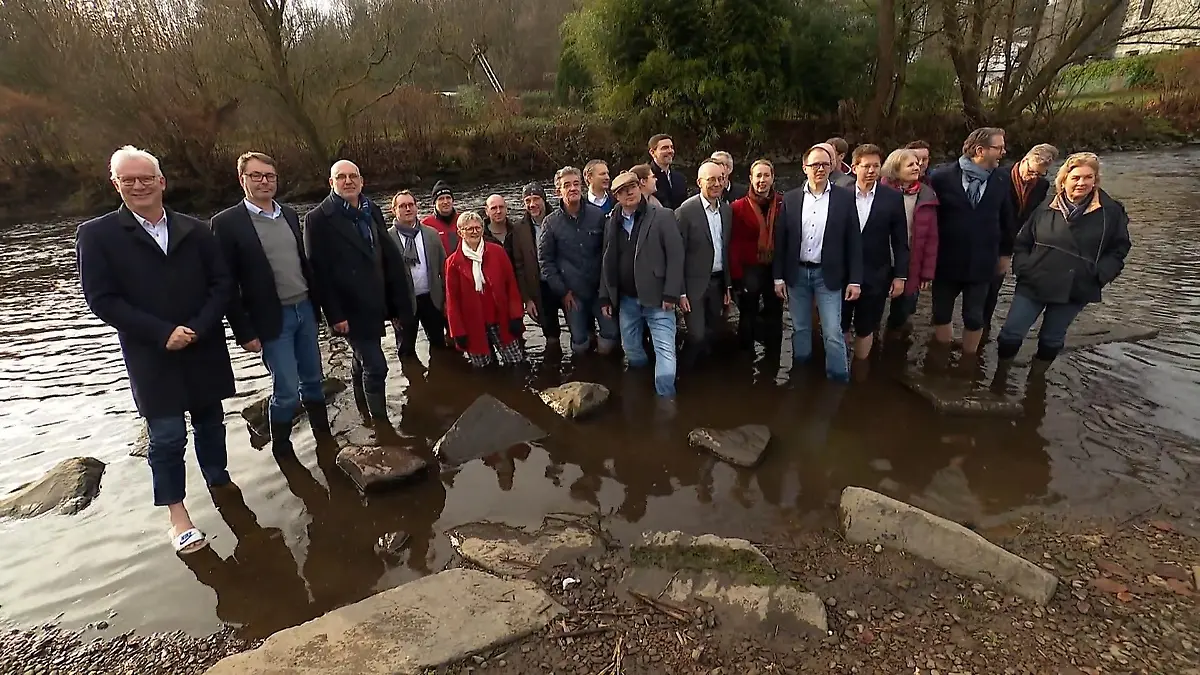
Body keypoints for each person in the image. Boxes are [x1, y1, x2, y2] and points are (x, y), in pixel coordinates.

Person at [77, 145, 234, 555]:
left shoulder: (197, 230)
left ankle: (220, 481)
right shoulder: (97, 235)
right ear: (116, 184)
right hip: (152, 353)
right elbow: (102, 299)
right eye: (128, 179)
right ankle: (178, 517)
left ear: (161, 182)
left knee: (211, 421)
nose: (139, 185)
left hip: (203, 345)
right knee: (166, 436)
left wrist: (199, 327)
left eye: (146, 177)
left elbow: (222, 285)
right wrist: (162, 332)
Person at [211, 152, 327, 461]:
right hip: (272, 319)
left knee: (314, 379)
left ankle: (324, 440)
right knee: (287, 389)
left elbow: (302, 263)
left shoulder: (288, 214)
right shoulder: (226, 223)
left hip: (304, 308)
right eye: (257, 176)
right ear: (242, 179)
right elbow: (225, 284)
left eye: (270, 176)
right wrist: (243, 330)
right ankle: (282, 448)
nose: (264, 181)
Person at [304, 160, 414, 421]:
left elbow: (385, 258)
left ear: (362, 181)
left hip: (376, 303)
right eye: (341, 177)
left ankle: (363, 411)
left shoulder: (370, 209)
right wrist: (334, 315)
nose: (348, 181)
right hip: (348, 308)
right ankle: (380, 423)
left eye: (353, 176)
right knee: (376, 366)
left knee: (361, 359)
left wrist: (396, 305)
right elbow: (318, 274)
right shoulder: (317, 219)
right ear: (331, 183)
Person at [997, 152, 1130, 365]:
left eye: (1088, 177)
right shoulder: (1046, 205)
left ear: (1096, 180)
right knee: (1010, 335)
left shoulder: (1110, 212)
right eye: (1076, 177)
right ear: (1064, 179)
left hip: (1077, 285)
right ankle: (999, 379)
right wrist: (1023, 267)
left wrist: (1099, 275)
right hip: (1035, 280)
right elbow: (1023, 241)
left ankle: (1036, 384)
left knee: (1051, 340)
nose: (1082, 183)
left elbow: (1119, 249)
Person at [773, 144, 862, 382]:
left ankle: (838, 379)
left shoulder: (844, 198)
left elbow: (854, 241)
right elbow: (781, 241)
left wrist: (855, 280)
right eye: (815, 165)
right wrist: (778, 277)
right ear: (805, 168)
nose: (820, 169)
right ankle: (801, 375)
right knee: (800, 328)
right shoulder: (791, 199)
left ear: (831, 167)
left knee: (832, 331)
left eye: (825, 164)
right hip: (797, 274)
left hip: (828, 274)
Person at [928, 127, 1016, 356]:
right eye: (998, 148)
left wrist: (1006, 254)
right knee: (941, 313)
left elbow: (1008, 218)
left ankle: (968, 361)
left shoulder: (1001, 179)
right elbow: (928, 220)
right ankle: (942, 355)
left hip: (983, 260)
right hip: (946, 260)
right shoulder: (941, 177)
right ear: (980, 150)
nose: (1003, 152)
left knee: (975, 316)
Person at [599, 171, 685, 397]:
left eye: (632, 187)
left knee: (666, 351)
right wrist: (605, 296)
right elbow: (607, 261)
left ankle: (666, 401)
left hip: (659, 300)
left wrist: (671, 293)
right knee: (632, 350)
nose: (628, 193)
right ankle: (641, 385)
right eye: (621, 191)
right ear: (615, 196)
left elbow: (676, 257)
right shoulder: (611, 221)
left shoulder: (663, 216)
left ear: (639, 187)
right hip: (627, 301)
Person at [539, 166, 619, 355]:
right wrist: (563, 291)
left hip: (600, 291)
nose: (573, 188)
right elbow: (546, 261)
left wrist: (607, 290)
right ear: (558, 191)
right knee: (579, 339)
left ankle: (606, 372)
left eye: (576, 184)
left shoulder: (598, 216)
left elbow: (609, 253)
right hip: (572, 294)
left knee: (611, 332)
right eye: (567, 185)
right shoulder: (550, 223)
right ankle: (582, 373)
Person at [983, 143, 1060, 336]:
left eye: (1039, 174)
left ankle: (984, 327)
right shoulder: (998, 175)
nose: (1033, 177)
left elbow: (1030, 217)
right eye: (1032, 172)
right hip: (986, 238)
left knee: (994, 287)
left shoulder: (1042, 185)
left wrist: (1009, 251)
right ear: (1024, 160)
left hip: (1010, 241)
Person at [842, 144, 909, 362]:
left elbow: (900, 241)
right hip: (842, 272)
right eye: (866, 166)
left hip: (876, 273)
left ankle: (861, 371)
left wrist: (900, 276)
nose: (872, 170)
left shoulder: (892, 198)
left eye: (876, 166)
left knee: (866, 326)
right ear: (854, 167)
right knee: (839, 324)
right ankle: (841, 365)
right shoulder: (840, 195)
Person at [444, 212, 526, 367]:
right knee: (483, 368)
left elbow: (511, 285)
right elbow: (452, 301)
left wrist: (516, 315)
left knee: (516, 361)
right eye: (469, 229)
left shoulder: (497, 252)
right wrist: (458, 332)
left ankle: (517, 390)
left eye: (478, 228)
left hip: (500, 318)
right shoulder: (453, 263)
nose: (474, 232)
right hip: (473, 324)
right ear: (460, 232)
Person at [675, 159, 733, 368]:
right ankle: (683, 372)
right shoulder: (685, 211)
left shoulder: (726, 211)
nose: (717, 184)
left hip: (718, 283)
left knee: (713, 331)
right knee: (696, 334)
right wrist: (680, 293)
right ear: (700, 182)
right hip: (694, 285)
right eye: (711, 180)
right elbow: (676, 254)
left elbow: (725, 250)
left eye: (720, 179)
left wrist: (728, 286)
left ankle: (705, 376)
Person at [880, 148, 939, 336]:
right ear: (896, 168)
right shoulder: (879, 192)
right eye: (911, 164)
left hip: (911, 263)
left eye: (918, 163)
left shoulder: (927, 196)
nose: (917, 167)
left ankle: (893, 344)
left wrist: (927, 273)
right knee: (872, 311)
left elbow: (931, 239)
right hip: (881, 260)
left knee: (903, 311)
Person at [730, 159, 784, 349]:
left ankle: (773, 356)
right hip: (750, 268)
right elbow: (734, 243)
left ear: (772, 178)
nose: (762, 180)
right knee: (748, 314)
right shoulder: (738, 207)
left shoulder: (782, 204)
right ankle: (745, 359)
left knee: (775, 313)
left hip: (774, 267)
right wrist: (736, 277)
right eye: (758, 176)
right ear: (751, 179)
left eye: (766, 175)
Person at [386, 190, 447, 359]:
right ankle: (414, 382)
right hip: (403, 303)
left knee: (438, 345)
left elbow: (444, 268)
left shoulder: (431, 234)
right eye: (402, 206)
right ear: (394, 210)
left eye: (411, 205)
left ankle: (441, 379)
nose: (408, 209)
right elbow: (383, 278)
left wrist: (446, 299)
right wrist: (391, 311)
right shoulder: (387, 238)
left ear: (416, 207)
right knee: (406, 351)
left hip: (431, 299)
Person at [483, 194, 540, 320]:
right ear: (486, 211)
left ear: (506, 209)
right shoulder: (480, 236)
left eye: (501, 207)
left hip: (516, 293)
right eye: (493, 208)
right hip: (490, 296)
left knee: (517, 332)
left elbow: (524, 266)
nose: (498, 211)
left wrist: (528, 298)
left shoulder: (517, 231)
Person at [522, 182, 562, 345]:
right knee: (551, 336)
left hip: (564, 283)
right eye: (528, 200)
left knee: (579, 333)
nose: (532, 204)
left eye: (536, 198)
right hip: (540, 287)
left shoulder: (560, 219)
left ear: (544, 200)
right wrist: (527, 299)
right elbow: (519, 266)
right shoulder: (519, 229)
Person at [648, 134, 688, 209]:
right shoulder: (646, 179)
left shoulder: (680, 178)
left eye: (671, 147)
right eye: (665, 148)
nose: (670, 151)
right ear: (652, 152)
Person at [420, 180, 459, 254]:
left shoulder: (462, 220)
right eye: (441, 199)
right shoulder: (425, 225)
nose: (445, 202)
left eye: (448, 198)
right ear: (434, 202)